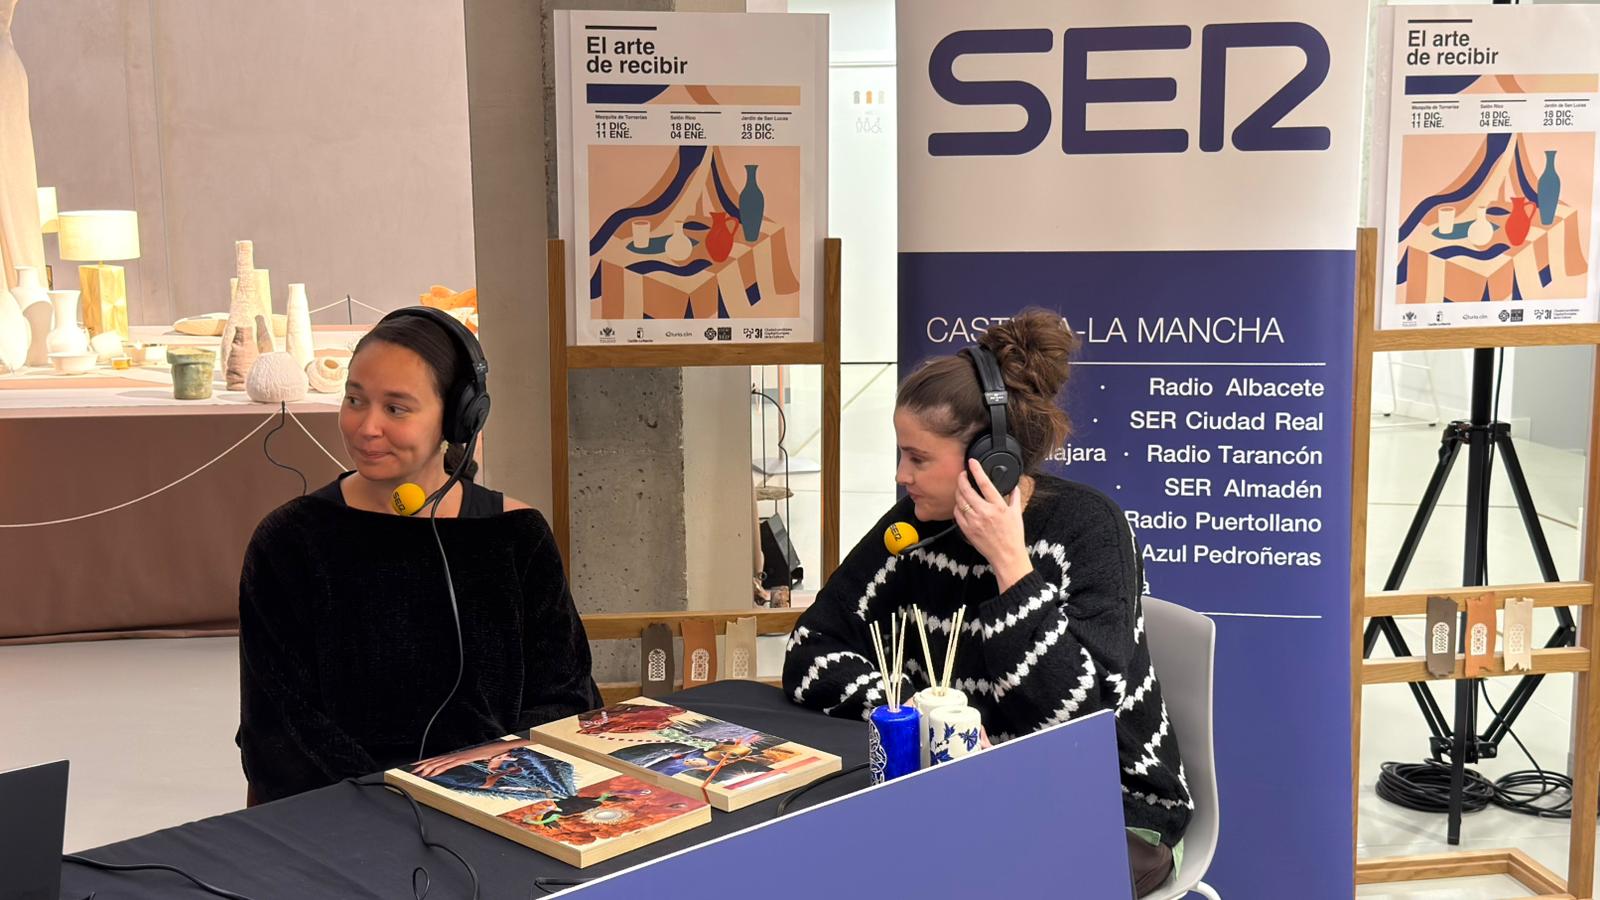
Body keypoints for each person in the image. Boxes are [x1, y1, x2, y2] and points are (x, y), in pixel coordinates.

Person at [783, 309, 1191, 896]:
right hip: (964, 797)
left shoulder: (1090, 531)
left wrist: (1011, 565)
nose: (902, 475)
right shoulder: (917, 530)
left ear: (990, 459)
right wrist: (920, 713)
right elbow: (811, 650)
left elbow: (1076, 724)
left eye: (918, 458)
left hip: (1114, 808)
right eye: (901, 454)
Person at [237, 307, 600, 804]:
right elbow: (279, 729)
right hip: (342, 814)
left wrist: (477, 785)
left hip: (499, 805)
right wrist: (394, 801)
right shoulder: (289, 540)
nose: (366, 427)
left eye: (396, 408)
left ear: (458, 418)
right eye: (354, 400)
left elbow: (568, 700)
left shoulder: (516, 535)